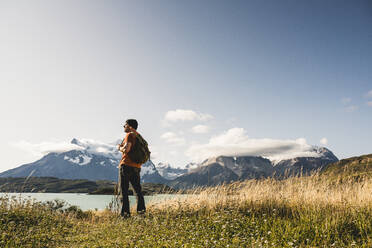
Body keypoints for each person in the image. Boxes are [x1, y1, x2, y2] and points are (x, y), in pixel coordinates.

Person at [117, 119, 146, 217]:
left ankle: (125, 214)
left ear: (130, 126)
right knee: (138, 191)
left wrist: (119, 148)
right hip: (137, 167)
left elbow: (126, 149)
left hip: (126, 165)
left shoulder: (129, 135)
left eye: (125, 125)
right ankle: (141, 212)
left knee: (123, 191)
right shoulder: (139, 137)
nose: (123, 126)